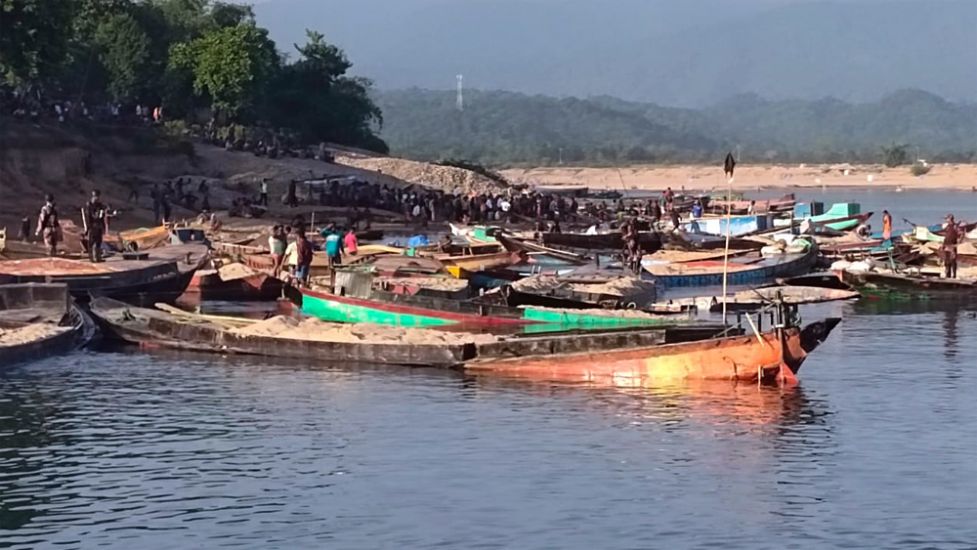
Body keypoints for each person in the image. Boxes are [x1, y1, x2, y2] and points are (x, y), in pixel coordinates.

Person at [82, 189, 109, 262]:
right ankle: (92, 258)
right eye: (95, 196)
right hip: (92, 226)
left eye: (97, 196)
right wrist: (88, 228)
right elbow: (88, 217)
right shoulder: (89, 205)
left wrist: (103, 226)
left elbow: (102, 216)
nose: (96, 198)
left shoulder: (100, 205)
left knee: (98, 242)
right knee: (92, 242)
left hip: (98, 226)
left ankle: (98, 257)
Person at [941, 214, 960, 279]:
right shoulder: (947, 226)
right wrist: (943, 245)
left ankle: (954, 275)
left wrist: (957, 244)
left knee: (953, 260)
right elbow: (946, 236)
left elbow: (960, 234)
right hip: (946, 245)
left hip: (952, 246)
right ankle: (948, 275)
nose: (946, 220)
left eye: (947, 218)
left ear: (950, 219)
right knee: (947, 261)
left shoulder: (955, 226)